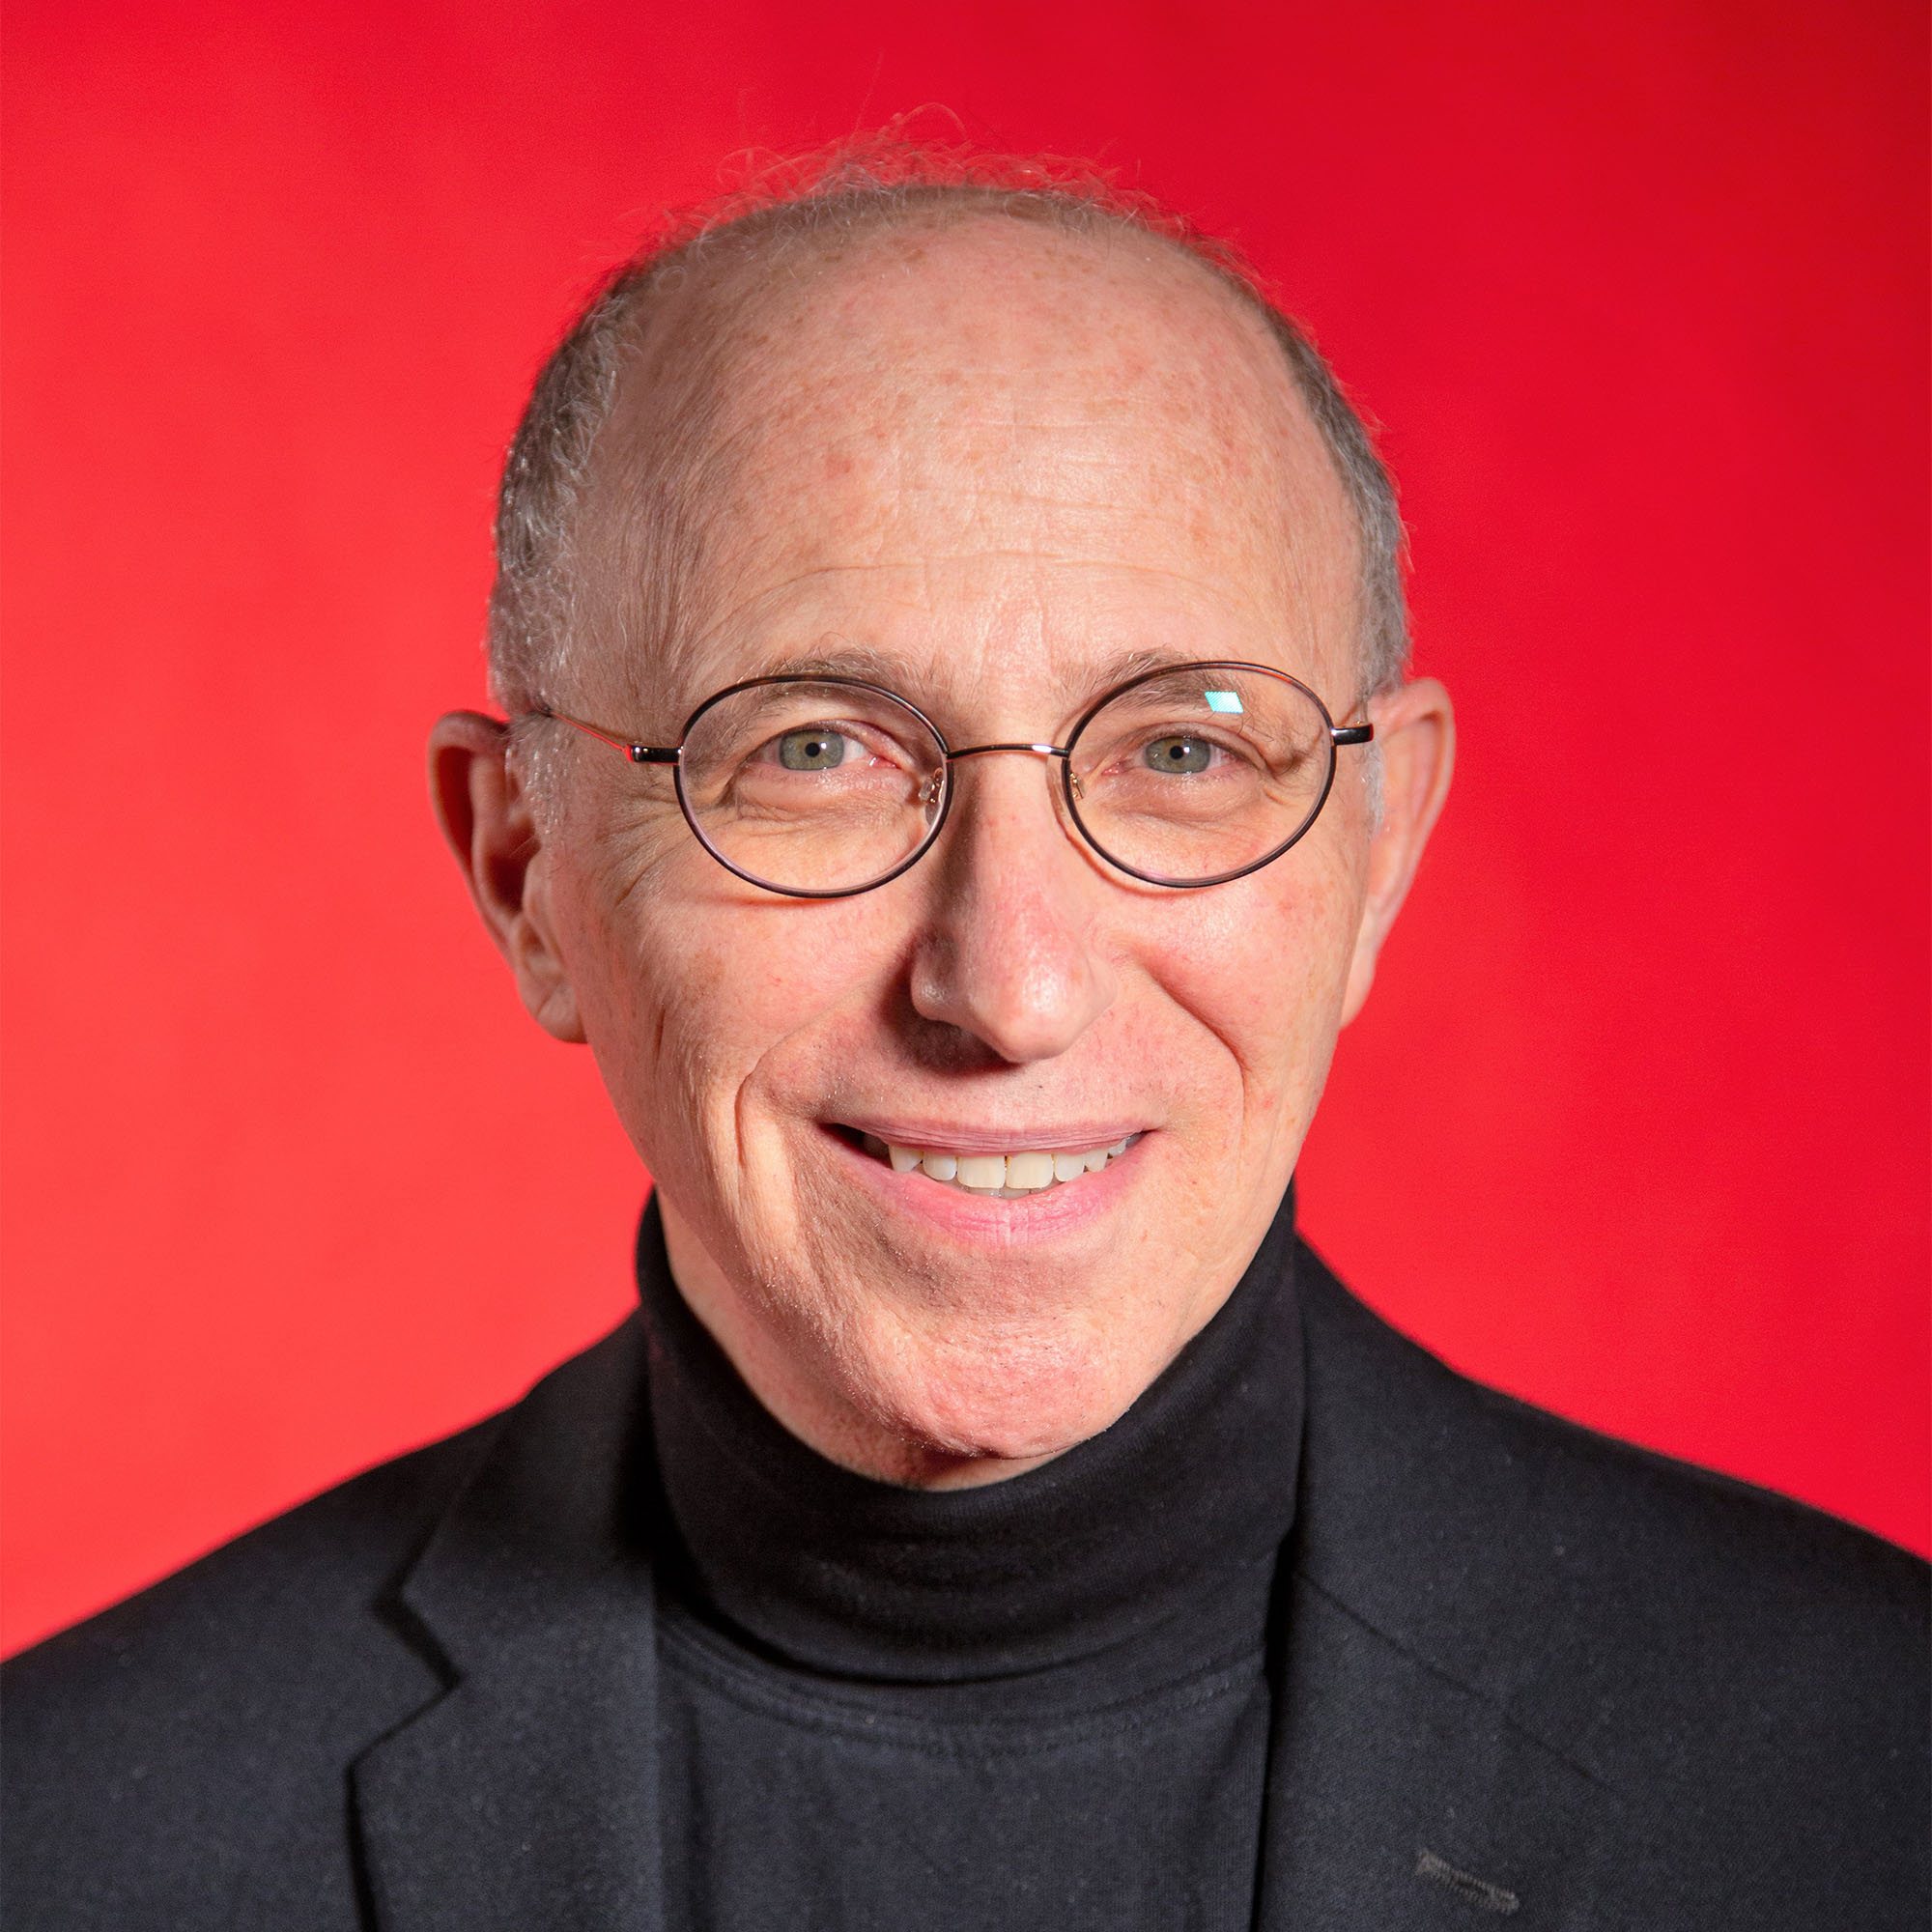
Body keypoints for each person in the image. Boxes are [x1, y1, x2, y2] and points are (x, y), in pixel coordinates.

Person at [4, 141, 1925, 1932]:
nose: (1005, 989)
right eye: (814, 753)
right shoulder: (76, 1833)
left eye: (1181, 748)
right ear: (526, 870)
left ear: (1376, 840)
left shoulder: (1869, 1777)